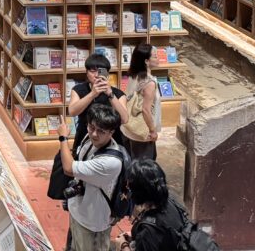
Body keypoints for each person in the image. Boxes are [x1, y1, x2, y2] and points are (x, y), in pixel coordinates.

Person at [58, 105, 127, 251]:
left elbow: (69, 168)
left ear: (111, 132)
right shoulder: (89, 139)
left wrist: (63, 138)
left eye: (101, 131)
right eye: (91, 127)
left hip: (93, 222)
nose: (94, 134)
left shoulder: (110, 163)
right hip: (78, 211)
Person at [69, 54, 129, 150]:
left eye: (100, 72)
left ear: (107, 74)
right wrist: (93, 94)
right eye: (92, 71)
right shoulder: (78, 89)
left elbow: (124, 119)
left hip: (111, 140)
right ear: (87, 73)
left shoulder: (118, 94)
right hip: (85, 136)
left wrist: (110, 94)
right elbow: (72, 112)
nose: (96, 75)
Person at [122, 160, 184, 251]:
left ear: (139, 193)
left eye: (130, 187)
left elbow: (152, 236)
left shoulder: (148, 233)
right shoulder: (171, 201)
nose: (127, 187)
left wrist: (123, 245)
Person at [121, 44, 162, 162]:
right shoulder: (149, 83)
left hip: (128, 127)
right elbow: (146, 110)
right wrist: (153, 131)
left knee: (129, 163)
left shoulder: (133, 75)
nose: (158, 59)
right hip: (141, 132)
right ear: (146, 61)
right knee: (144, 167)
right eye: (155, 56)